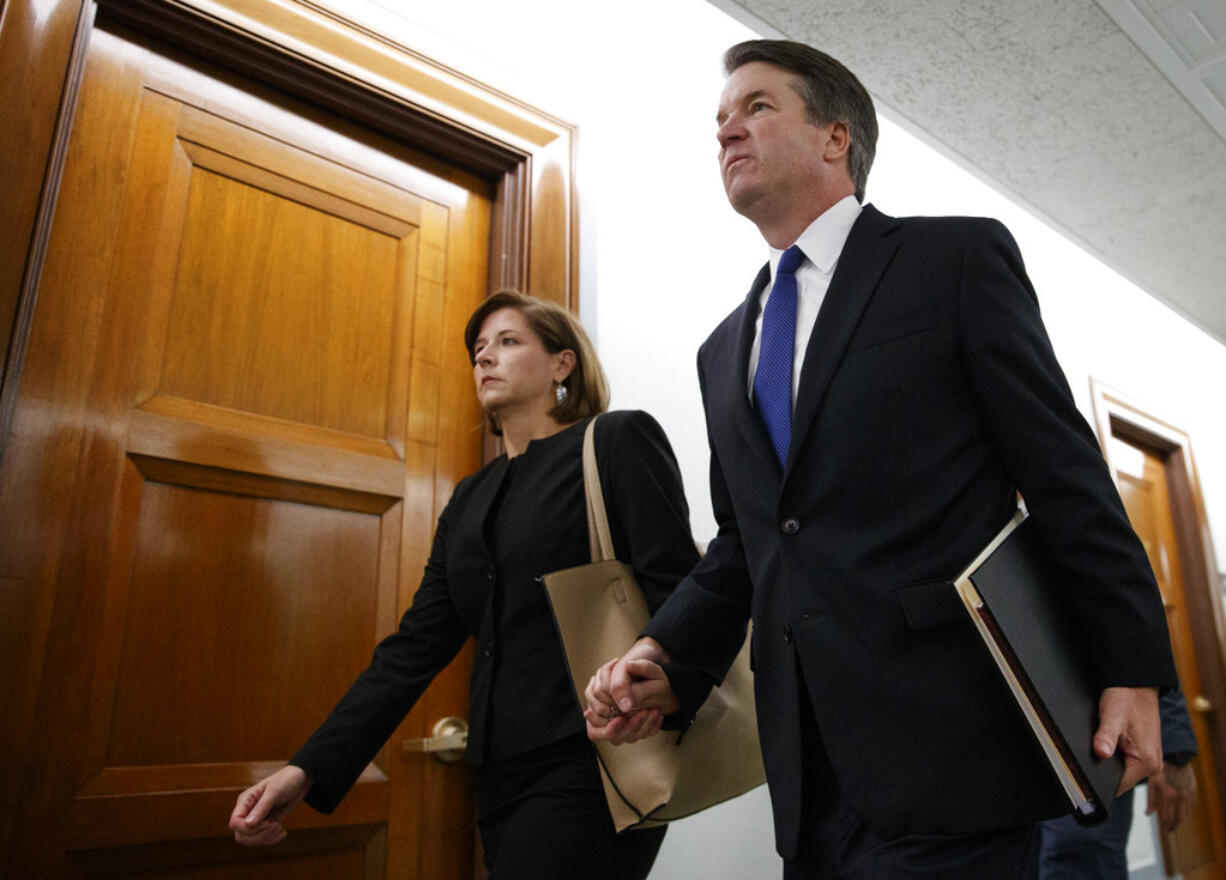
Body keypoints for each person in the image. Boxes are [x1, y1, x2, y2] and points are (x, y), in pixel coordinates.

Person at [584, 39, 1178, 879]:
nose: (727, 133)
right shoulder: (724, 349)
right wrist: (666, 656)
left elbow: (1065, 477)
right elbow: (746, 547)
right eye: (719, 120)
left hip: (955, 752)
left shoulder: (954, 263)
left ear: (836, 137)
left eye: (756, 107)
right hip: (811, 775)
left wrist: (1132, 671)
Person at [229, 290, 700, 879]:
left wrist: (664, 688)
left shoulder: (616, 442)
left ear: (563, 363)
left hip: (601, 758)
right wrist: (308, 769)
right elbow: (413, 648)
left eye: (508, 342)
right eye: (479, 349)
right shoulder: (469, 500)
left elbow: (680, 587)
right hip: (499, 775)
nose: (485, 358)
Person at [1037, 688, 1198, 878]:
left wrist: (1173, 749)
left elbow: (1142, 660)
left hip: (1088, 736)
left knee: (1081, 851)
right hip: (1004, 750)